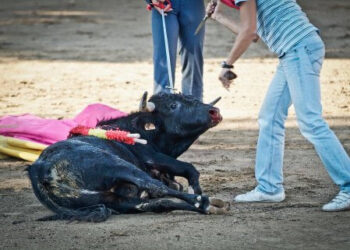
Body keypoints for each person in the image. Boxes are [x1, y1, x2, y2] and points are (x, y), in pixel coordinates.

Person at [207, 0, 350, 211]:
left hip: (299, 50)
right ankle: (269, 188)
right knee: (270, 117)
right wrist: (219, 16)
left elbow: (248, 32)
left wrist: (227, 64)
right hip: (293, 52)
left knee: (310, 121)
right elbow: (254, 35)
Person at [150, 0, 205, 101]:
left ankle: (193, 103)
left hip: (193, 4)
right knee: (164, 55)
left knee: (194, 54)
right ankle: (162, 104)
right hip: (163, 2)